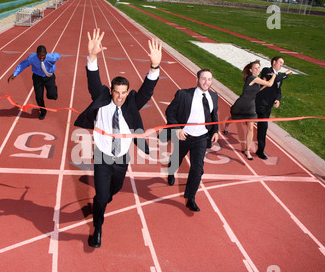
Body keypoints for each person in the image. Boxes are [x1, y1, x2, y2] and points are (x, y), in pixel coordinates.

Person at [74, 28, 162, 248]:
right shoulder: (102, 99)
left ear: (127, 92)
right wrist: (92, 57)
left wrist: (154, 67)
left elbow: (147, 90)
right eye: (116, 92)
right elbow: (93, 80)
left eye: (124, 92)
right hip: (103, 157)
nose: (120, 97)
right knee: (102, 197)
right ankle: (98, 229)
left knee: (114, 189)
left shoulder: (132, 103)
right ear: (111, 91)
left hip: (122, 158)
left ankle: (101, 200)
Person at [160, 68, 219, 212]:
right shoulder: (183, 94)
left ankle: (190, 198)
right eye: (204, 78)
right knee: (176, 159)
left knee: (197, 169)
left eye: (209, 79)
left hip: (201, 138)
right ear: (197, 79)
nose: (206, 82)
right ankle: (171, 171)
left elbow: (213, 115)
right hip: (184, 136)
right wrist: (177, 129)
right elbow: (170, 112)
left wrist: (216, 131)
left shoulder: (213, 96)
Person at [223, 60, 275, 160]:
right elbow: (270, 84)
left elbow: (257, 91)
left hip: (251, 106)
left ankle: (247, 151)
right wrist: (274, 76)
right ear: (251, 70)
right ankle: (226, 125)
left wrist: (263, 84)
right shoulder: (252, 78)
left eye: (259, 68)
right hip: (242, 104)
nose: (258, 70)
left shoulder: (256, 79)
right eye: (255, 68)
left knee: (251, 127)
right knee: (234, 118)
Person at [8, 45, 61, 120]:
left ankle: (53, 90)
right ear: (36, 54)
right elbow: (23, 64)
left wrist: (56, 58)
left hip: (49, 77)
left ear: (46, 53)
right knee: (38, 97)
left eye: (43, 55)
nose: (41, 58)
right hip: (37, 77)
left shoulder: (51, 57)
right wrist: (15, 74)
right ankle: (43, 111)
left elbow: (58, 56)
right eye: (39, 56)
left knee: (51, 96)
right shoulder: (32, 58)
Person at [255, 56, 292, 159]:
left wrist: (278, 99)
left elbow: (278, 90)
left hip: (268, 106)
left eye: (282, 63)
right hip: (260, 103)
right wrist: (286, 74)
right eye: (280, 62)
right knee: (263, 126)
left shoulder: (278, 76)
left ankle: (260, 150)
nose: (281, 65)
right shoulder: (267, 70)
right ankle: (260, 150)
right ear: (274, 62)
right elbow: (274, 80)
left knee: (262, 126)